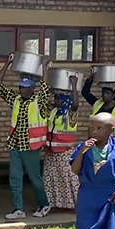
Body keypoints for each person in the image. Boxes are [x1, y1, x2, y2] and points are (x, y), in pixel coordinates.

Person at [0, 53, 52, 220]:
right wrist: (7, 63)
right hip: (15, 144)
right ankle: (18, 209)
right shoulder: (16, 99)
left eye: (26, 87)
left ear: (32, 88)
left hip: (30, 146)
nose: (22, 89)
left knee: (35, 177)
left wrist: (45, 67)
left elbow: (46, 88)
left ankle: (44, 204)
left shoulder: (38, 102)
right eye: (20, 86)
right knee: (15, 177)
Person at [39, 76, 81, 217]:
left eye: (58, 99)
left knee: (69, 179)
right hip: (51, 151)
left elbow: (75, 104)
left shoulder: (70, 114)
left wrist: (74, 86)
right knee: (49, 179)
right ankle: (51, 204)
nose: (55, 101)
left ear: (65, 100)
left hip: (65, 152)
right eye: (55, 98)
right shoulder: (54, 112)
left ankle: (78, 205)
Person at [81, 73, 115, 143]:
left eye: (107, 93)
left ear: (114, 94)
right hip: (95, 141)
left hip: (110, 143)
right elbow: (85, 92)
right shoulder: (97, 104)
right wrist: (91, 78)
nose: (104, 95)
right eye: (103, 93)